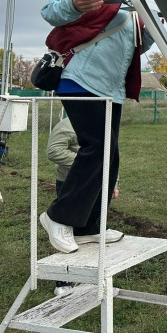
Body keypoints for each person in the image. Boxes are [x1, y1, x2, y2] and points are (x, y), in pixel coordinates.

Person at [39, 0, 159, 254]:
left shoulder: (134, 1)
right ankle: (57, 217)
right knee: (96, 149)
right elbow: (51, 11)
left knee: (110, 156)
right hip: (81, 78)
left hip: (110, 88)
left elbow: (136, 46)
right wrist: (74, 5)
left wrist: (150, 31)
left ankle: (89, 226)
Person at [46, 116, 120, 294]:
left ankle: (90, 277)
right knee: (67, 234)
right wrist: (86, 163)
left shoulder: (103, 123)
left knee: (91, 232)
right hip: (72, 185)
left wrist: (114, 183)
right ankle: (63, 282)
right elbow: (53, 151)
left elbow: (110, 155)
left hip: (97, 184)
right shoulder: (67, 124)